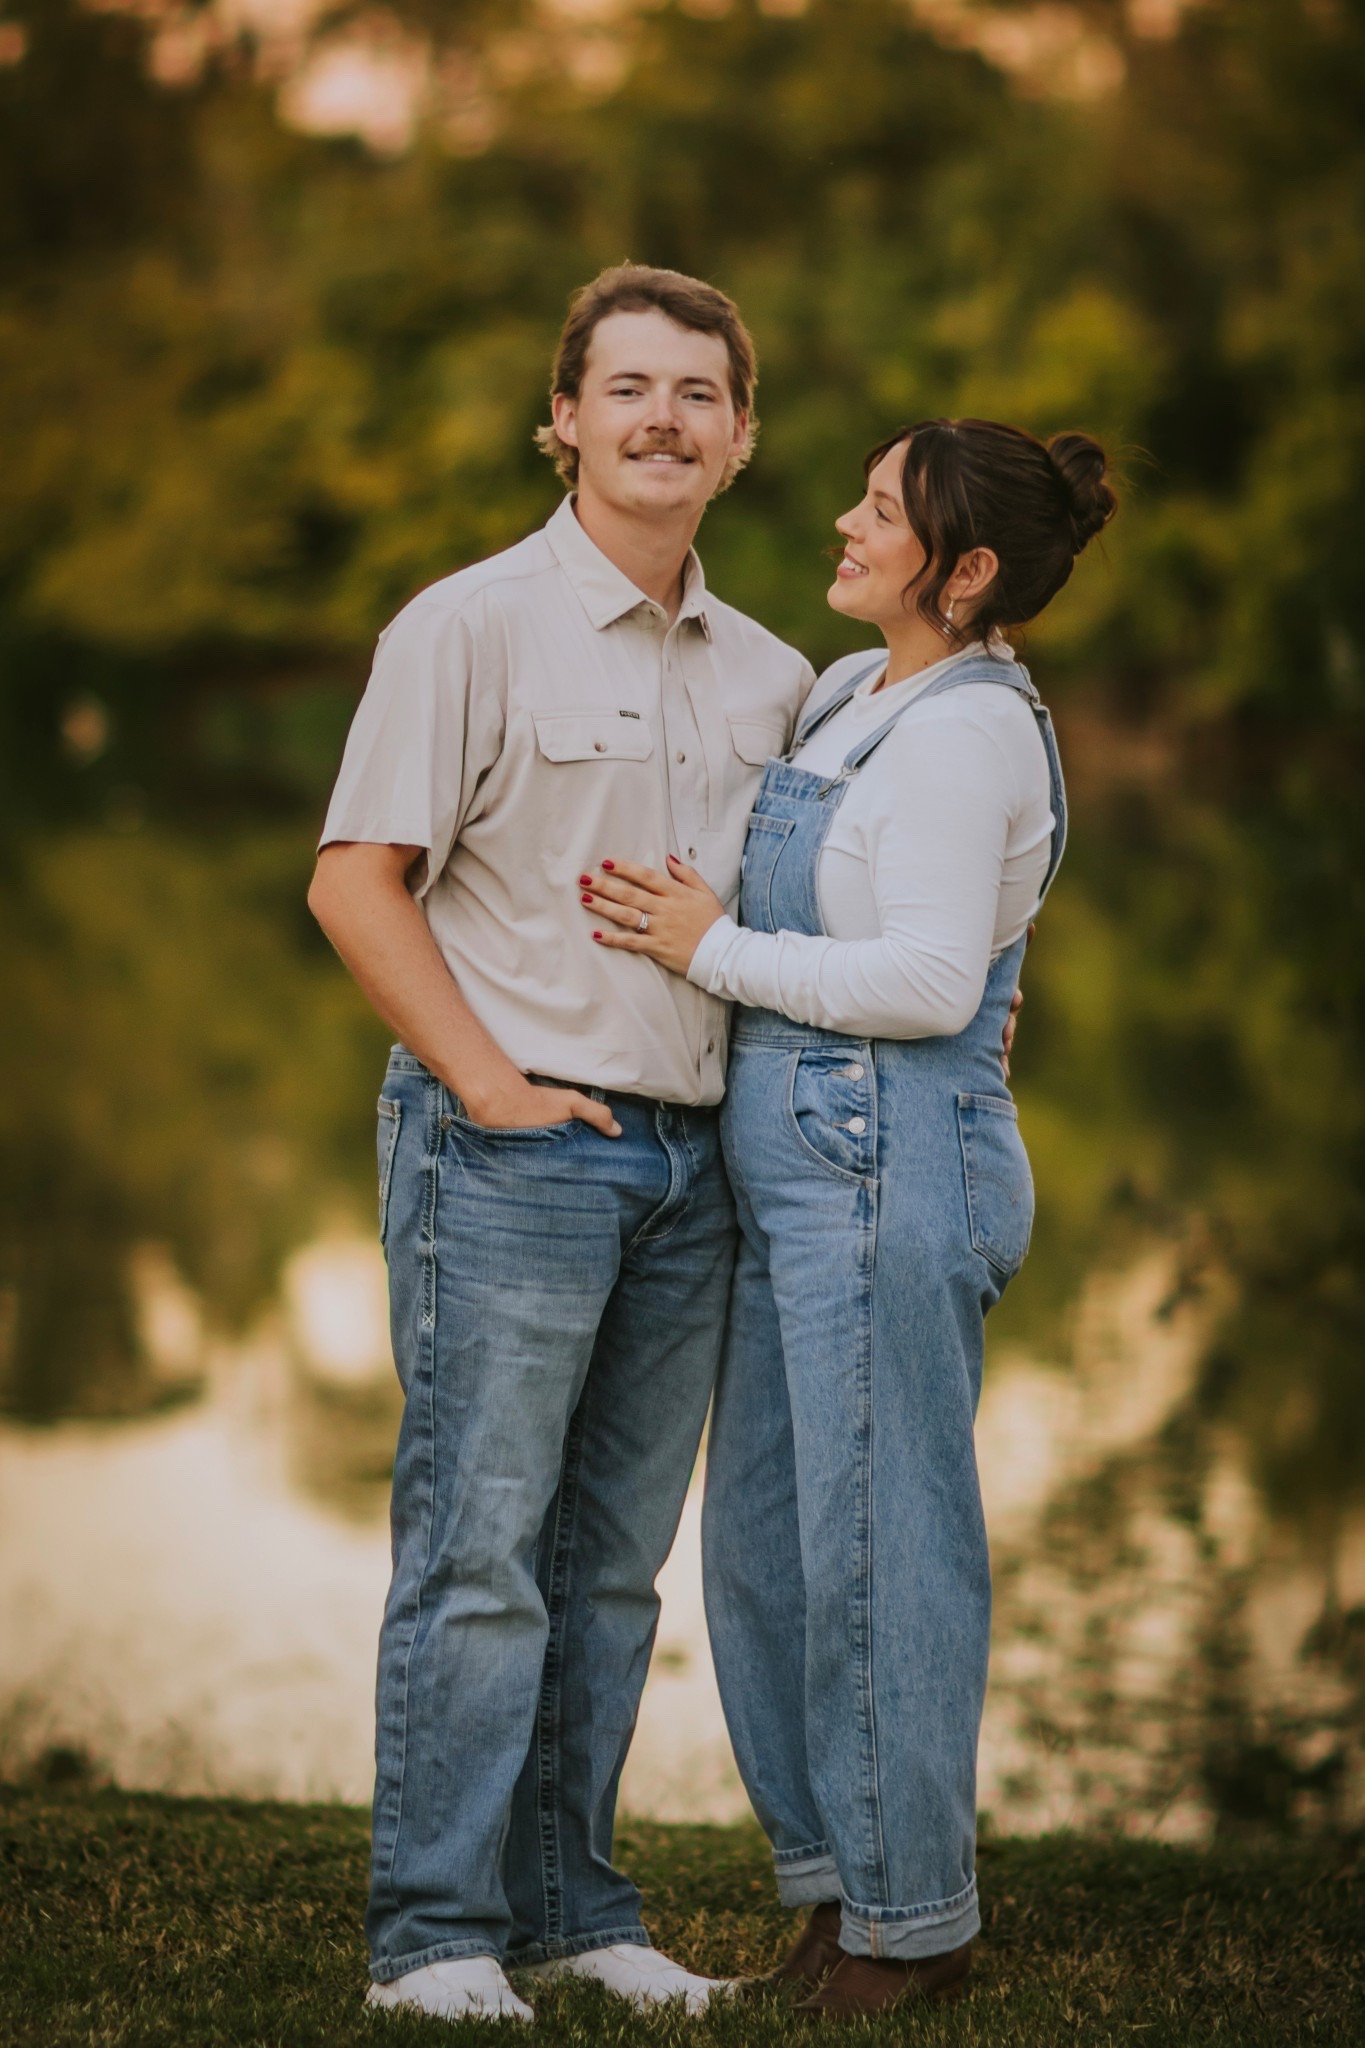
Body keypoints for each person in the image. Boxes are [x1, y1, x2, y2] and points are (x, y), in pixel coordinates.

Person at [308, 264, 816, 2021]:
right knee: (480, 1557)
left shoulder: (776, 677)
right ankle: (431, 1938)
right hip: (512, 1150)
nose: (662, 419)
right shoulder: (465, 627)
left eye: (697, 394)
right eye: (627, 388)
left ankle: (573, 1912)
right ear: (564, 420)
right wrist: (487, 1087)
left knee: (608, 1570)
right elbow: (354, 884)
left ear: (740, 439)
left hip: (694, 1169)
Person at [579, 415, 1116, 2018]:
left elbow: (933, 982)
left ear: (966, 569)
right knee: (765, 1555)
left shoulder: (966, 736)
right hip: (799, 1174)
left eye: (881, 511)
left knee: (882, 1556)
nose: (843, 522)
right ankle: (834, 1890)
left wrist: (704, 948)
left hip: (886, 1174)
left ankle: (913, 1925)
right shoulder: (847, 694)